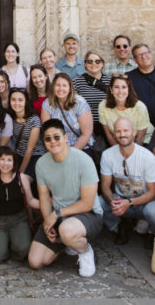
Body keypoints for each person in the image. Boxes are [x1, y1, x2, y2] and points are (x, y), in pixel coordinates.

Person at [27, 119, 102, 278]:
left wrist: (56, 215)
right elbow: (44, 197)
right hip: (59, 216)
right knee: (36, 261)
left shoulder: (84, 160)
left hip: (87, 214)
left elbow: (87, 203)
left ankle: (85, 251)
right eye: (48, 139)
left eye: (56, 137)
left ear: (66, 137)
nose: (53, 142)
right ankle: (65, 242)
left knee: (67, 230)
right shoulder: (41, 164)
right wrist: (48, 223)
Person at [99, 117, 155, 245]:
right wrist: (112, 202)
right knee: (98, 204)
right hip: (121, 198)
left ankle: (152, 232)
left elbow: (153, 192)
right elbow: (105, 185)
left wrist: (129, 203)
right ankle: (120, 225)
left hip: (145, 201)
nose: (122, 134)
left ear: (134, 132)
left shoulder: (147, 157)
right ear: (113, 134)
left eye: (126, 130)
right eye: (118, 131)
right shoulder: (107, 155)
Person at [0, 146, 38, 264]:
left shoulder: (21, 178)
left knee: (23, 250)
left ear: (14, 163)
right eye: (2, 159)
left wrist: (46, 203)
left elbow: (31, 200)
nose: (5, 163)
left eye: (9, 160)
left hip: (19, 219)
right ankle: (3, 245)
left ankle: (13, 243)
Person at [41, 72, 95, 151]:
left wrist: (70, 154)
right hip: (57, 147)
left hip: (81, 147)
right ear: (53, 87)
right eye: (58, 85)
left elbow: (86, 134)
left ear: (70, 88)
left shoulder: (80, 103)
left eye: (64, 86)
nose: (61, 89)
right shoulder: (47, 104)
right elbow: (48, 133)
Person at [99, 76, 151, 146]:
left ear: (128, 89)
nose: (120, 91)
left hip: (143, 142)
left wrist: (131, 155)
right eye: (116, 87)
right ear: (111, 90)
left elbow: (140, 138)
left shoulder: (140, 107)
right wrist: (118, 153)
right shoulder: (103, 106)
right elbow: (109, 136)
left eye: (124, 87)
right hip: (118, 142)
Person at [74, 50, 109, 148]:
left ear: (102, 64)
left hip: (107, 127)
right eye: (90, 61)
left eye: (97, 61)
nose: (94, 64)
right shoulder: (77, 82)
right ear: (85, 64)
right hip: (84, 127)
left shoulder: (111, 82)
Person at [8, 88, 44, 177]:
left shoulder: (34, 120)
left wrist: (20, 173)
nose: (16, 103)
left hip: (35, 155)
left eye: (20, 100)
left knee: (24, 180)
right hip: (18, 155)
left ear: (26, 102)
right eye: (13, 100)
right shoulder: (10, 118)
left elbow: (30, 150)